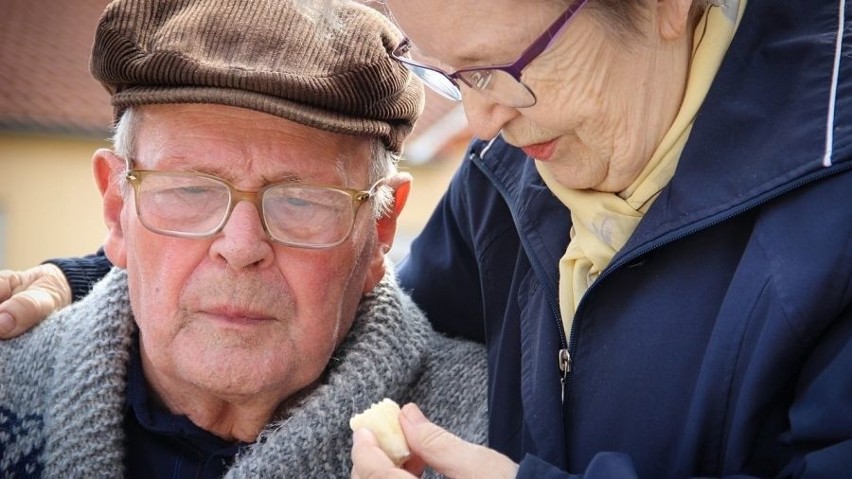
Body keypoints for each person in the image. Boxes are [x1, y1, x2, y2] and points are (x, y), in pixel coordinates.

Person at [3, 0, 852, 477]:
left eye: (507, 68)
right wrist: (93, 284)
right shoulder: (511, 172)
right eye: (450, 77)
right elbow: (353, 293)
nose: (480, 122)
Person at [0, 0, 488, 477]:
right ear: (115, 208)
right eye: (190, 190)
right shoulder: (9, 384)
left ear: (379, 230)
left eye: (299, 200)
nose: (239, 247)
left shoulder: (492, 432)